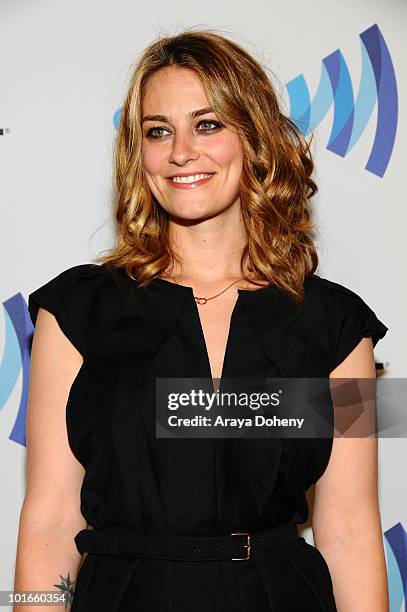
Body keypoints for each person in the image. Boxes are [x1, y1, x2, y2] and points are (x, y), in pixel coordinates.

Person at [15, 29, 389, 611]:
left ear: (254, 137)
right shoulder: (79, 313)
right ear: (137, 154)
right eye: (157, 131)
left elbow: (349, 528)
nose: (181, 151)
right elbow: (50, 518)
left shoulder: (334, 328)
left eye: (207, 124)